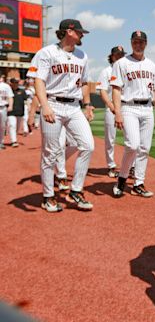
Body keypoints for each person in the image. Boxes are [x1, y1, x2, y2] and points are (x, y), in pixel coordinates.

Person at [28, 18, 95, 213]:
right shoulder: (46, 53)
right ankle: (48, 196)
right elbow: (38, 81)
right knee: (50, 152)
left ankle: (76, 190)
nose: (82, 35)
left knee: (88, 145)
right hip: (53, 104)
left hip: (74, 106)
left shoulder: (82, 56)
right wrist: (45, 106)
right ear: (69, 32)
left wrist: (88, 104)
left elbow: (83, 83)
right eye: (80, 32)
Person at [111, 31, 155, 198]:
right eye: (135, 41)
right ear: (131, 43)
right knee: (132, 145)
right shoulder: (121, 63)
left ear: (146, 43)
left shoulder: (152, 65)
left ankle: (138, 183)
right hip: (129, 107)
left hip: (147, 108)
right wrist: (117, 112)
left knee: (144, 148)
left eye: (141, 42)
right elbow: (116, 89)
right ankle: (121, 179)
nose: (138, 44)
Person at [98, 45, 126, 178]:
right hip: (112, 109)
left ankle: (131, 166)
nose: (120, 57)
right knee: (110, 139)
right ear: (112, 56)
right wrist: (111, 106)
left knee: (131, 139)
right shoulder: (106, 71)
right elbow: (102, 91)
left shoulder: (127, 70)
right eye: (117, 55)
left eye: (122, 55)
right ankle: (111, 165)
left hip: (126, 108)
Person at [7, 78, 28, 147]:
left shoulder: (22, 91)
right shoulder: (8, 91)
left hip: (20, 112)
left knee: (17, 127)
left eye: (16, 82)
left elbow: (26, 100)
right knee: (12, 125)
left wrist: (29, 108)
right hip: (11, 112)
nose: (15, 84)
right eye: (14, 82)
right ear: (11, 83)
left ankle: (14, 137)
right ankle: (14, 141)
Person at [0, 76, 14, 149]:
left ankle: (1, 142)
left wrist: (10, 105)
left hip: (3, 107)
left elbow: (10, 96)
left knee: (2, 126)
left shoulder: (6, 86)